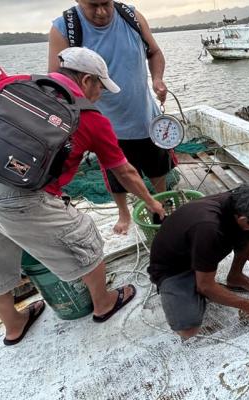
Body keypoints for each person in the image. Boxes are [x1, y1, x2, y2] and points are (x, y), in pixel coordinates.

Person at [0, 47, 166, 346]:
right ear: (86, 80)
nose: (100, 94)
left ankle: (14, 326)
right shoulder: (89, 116)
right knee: (84, 236)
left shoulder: (8, 84)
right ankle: (104, 303)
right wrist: (151, 202)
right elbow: (124, 171)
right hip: (15, 196)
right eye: (100, 86)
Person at [48, 1, 172, 235]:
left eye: (106, 3)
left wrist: (157, 79)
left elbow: (154, 52)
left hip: (145, 116)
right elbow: (57, 82)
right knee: (116, 173)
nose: (102, 12)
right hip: (105, 125)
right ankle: (124, 213)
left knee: (158, 166)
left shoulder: (131, 16)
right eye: (93, 6)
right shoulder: (65, 27)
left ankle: (162, 203)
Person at [147, 181, 249, 339]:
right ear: (243, 220)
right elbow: (205, 286)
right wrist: (248, 305)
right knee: (189, 328)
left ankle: (235, 276)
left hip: (199, 250)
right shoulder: (210, 229)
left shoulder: (237, 201)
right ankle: (189, 287)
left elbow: (247, 238)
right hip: (173, 268)